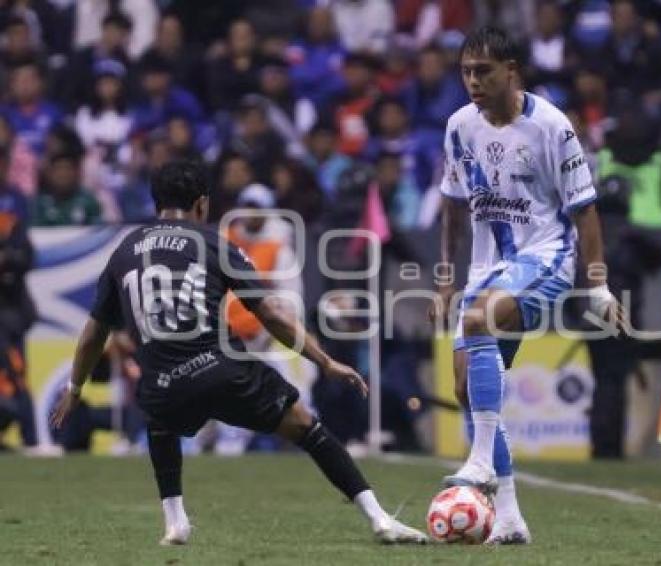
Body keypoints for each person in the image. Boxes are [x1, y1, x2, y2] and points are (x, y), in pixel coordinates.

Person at [50, 160, 427, 546]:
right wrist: (325, 361)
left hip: (162, 387)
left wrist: (76, 386)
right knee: (305, 425)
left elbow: (94, 331)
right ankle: (380, 518)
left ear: (155, 203)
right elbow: (269, 313)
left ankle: (175, 522)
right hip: (220, 371)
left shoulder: (124, 250)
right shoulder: (212, 241)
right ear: (201, 204)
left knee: (159, 412)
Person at [429, 27, 623, 545]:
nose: (472, 81)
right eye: (466, 71)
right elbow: (451, 205)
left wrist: (598, 288)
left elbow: (585, 211)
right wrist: (447, 276)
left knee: (478, 321)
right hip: (486, 268)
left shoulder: (551, 126)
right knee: (463, 387)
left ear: (511, 71)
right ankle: (510, 516)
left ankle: (477, 463)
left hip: (547, 256)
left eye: (483, 71)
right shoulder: (458, 127)